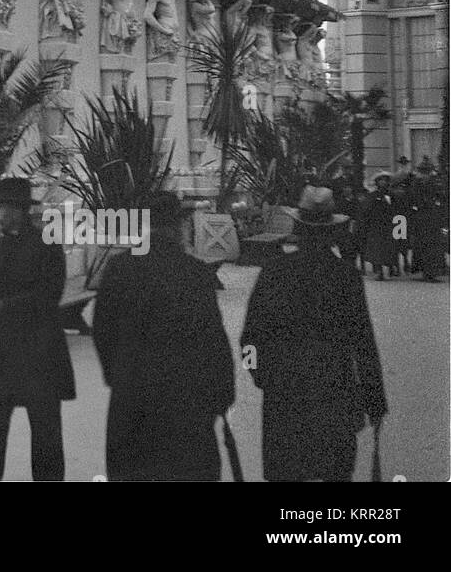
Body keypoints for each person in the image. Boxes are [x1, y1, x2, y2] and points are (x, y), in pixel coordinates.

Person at [241, 185, 387, 481]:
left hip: (285, 395)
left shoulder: (274, 272)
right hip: (335, 391)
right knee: (335, 475)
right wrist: (375, 398)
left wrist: (262, 377)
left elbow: (250, 339)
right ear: (333, 232)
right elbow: (363, 342)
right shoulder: (346, 276)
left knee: (287, 476)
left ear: (297, 227)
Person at [92, 191, 235, 481]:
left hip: (132, 394)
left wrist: (116, 373)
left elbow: (102, 330)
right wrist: (222, 392)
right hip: (185, 398)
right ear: (178, 227)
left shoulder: (120, 267)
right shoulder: (195, 273)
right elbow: (213, 339)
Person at [0, 178, 74, 481]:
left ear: (20, 211)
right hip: (2, 351)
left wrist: (1, 309)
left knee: (45, 431)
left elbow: (49, 296)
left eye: (4, 207)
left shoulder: (47, 244)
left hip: (39, 351)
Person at [408, 158, 447, 281]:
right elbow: (414, 200)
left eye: (428, 171)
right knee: (424, 246)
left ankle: (431, 272)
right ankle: (427, 272)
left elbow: (441, 197)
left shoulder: (434, 182)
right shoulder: (417, 183)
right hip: (422, 219)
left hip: (432, 218)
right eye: (425, 171)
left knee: (432, 246)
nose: (427, 173)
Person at [361, 172, 400, 280]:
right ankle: (379, 271)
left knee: (389, 248)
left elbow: (397, 209)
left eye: (385, 180)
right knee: (376, 249)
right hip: (376, 225)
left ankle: (391, 268)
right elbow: (367, 210)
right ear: (377, 182)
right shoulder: (372, 195)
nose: (383, 182)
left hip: (389, 225)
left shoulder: (392, 195)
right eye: (380, 180)